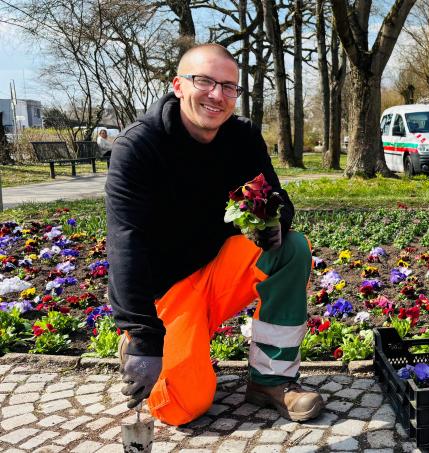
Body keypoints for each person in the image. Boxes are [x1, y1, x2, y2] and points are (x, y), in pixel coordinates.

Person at [106, 43, 323, 426]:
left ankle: (270, 380)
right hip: (168, 292)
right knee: (184, 407)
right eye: (204, 81)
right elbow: (126, 242)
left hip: (218, 272)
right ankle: (146, 349)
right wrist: (142, 336)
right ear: (178, 85)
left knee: (292, 249)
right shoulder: (140, 147)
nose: (217, 95)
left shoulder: (240, 138)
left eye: (228, 86)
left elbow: (272, 196)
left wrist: (275, 219)